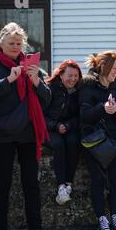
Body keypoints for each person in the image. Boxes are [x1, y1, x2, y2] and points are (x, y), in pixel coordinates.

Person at [0, 22, 51, 230]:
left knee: (31, 184)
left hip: (28, 132)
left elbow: (47, 99)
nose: (15, 46)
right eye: (11, 43)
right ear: (0, 42)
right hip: (1, 131)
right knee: (2, 183)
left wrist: (36, 81)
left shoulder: (31, 64)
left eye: (19, 43)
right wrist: (9, 79)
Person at [79, 50, 116, 230]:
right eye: (114, 68)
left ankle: (115, 216)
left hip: (115, 141)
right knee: (98, 180)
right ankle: (102, 219)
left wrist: (115, 111)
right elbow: (84, 116)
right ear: (103, 67)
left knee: (114, 181)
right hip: (93, 141)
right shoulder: (87, 86)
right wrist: (103, 108)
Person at [43, 59, 82, 205]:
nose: (73, 79)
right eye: (69, 75)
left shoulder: (79, 91)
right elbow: (40, 114)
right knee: (58, 144)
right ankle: (61, 186)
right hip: (50, 128)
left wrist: (68, 125)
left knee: (73, 142)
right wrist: (55, 126)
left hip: (68, 127)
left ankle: (68, 184)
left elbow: (80, 115)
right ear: (60, 75)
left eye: (76, 76)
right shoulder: (49, 88)